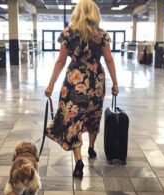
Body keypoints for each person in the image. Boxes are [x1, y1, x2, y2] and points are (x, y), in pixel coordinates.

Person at [44, 0, 118, 179]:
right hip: (96, 81)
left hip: (75, 81)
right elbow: (109, 60)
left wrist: (51, 84)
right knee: (93, 114)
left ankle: (78, 158)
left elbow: (61, 61)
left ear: (77, 12)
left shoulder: (68, 33)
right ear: (94, 13)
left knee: (74, 117)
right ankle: (91, 148)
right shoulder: (102, 35)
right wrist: (115, 83)